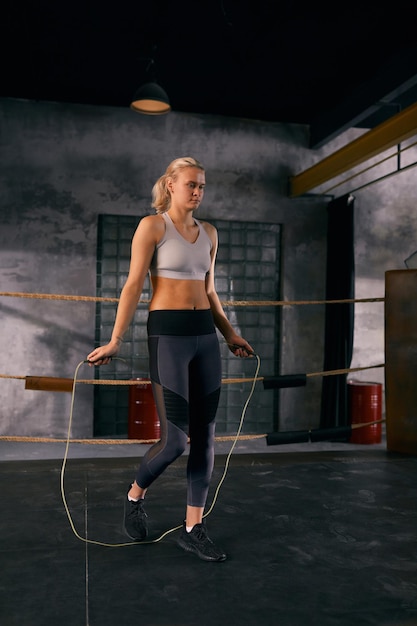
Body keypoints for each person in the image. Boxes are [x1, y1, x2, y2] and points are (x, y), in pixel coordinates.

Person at [87, 156, 253, 562]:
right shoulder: (153, 226)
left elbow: (211, 292)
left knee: (207, 437)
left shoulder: (209, 232)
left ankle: (194, 527)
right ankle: (134, 495)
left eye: (202, 186)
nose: (197, 191)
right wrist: (115, 340)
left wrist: (229, 333)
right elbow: (131, 286)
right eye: (191, 185)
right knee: (176, 440)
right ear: (171, 185)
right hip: (168, 336)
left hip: (204, 338)